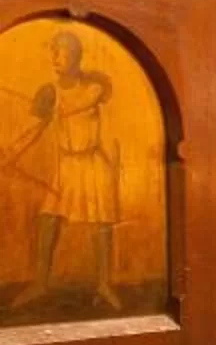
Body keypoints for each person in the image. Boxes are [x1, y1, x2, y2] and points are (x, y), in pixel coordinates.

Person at [1, 30, 125, 309]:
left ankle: (104, 284)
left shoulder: (92, 88)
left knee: (100, 224)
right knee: (48, 219)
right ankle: (40, 284)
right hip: (67, 164)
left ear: (76, 56)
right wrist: (10, 153)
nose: (56, 58)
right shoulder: (49, 92)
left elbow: (88, 100)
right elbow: (32, 129)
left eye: (63, 51)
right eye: (53, 51)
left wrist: (60, 107)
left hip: (93, 163)